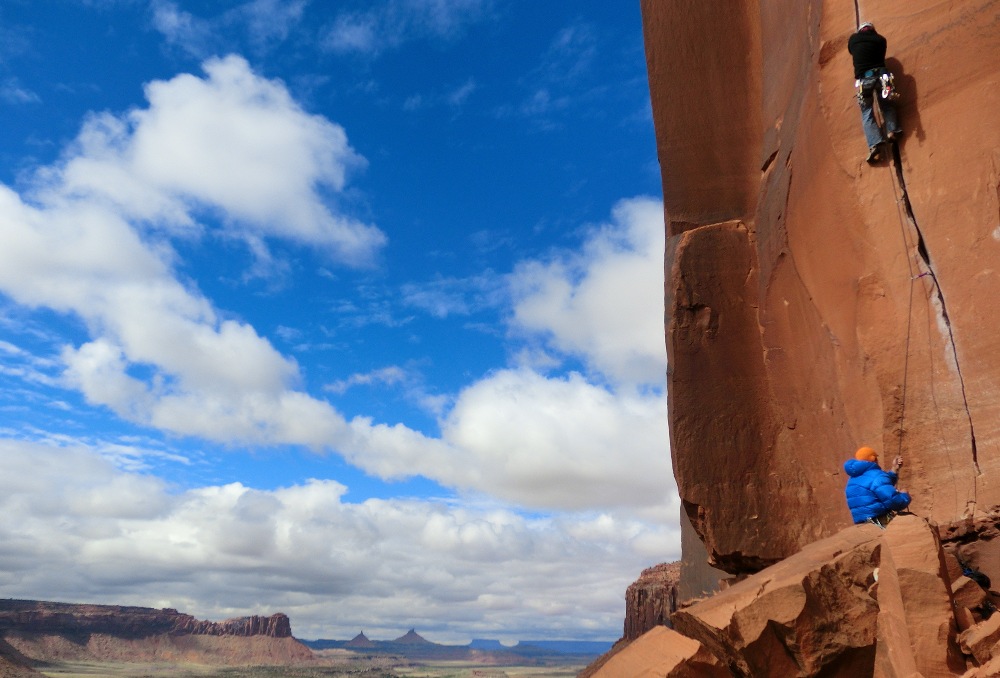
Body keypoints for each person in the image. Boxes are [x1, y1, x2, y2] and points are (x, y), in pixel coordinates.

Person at [848, 23, 903, 164]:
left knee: (867, 111)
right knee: (887, 105)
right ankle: (892, 131)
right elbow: (882, 54)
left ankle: (874, 143)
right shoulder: (880, 40)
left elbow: (852, 51)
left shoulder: (853, 40)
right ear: (873, 30)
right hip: (882, 77)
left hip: (863, 81)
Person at [844, 446, 911, 527]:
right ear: (873, 458)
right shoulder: (877, 475)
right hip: (879, 521)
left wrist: (894, 469)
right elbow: (894, 502)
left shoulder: (852, 479)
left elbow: (879, 485)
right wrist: (904, 495)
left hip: (862, 524)